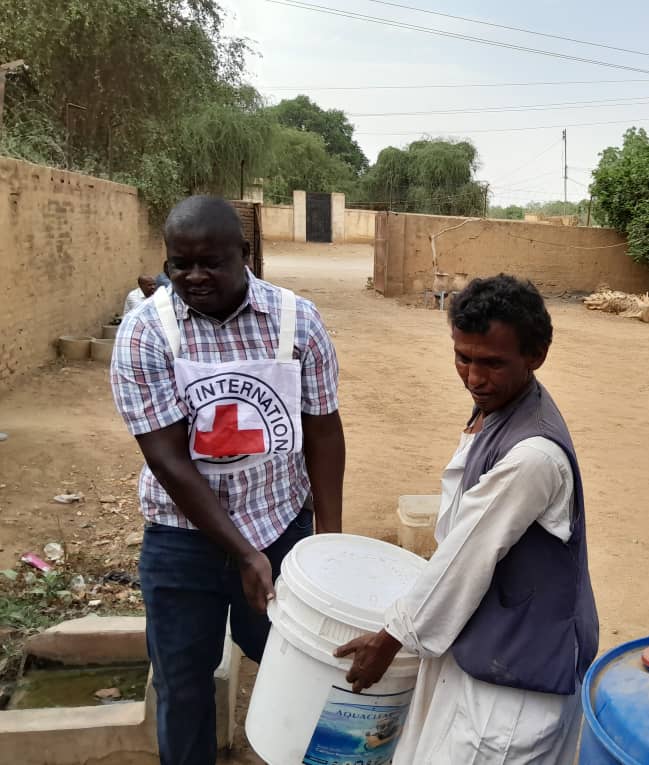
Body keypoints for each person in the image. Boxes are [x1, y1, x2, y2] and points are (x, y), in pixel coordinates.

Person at [110, 195, 345, 765]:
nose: (193, 276)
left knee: (301, 661)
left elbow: (323, 431)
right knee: (182, 683)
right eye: (179, 263)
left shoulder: (296, 321)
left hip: (278, 524)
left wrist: (328, 542)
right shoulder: (145, 332)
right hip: (180, 541)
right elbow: (167, 458)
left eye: (211, 261)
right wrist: (241, 552)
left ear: (245, 255)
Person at [335, 274, 598, 764]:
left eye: (493, 363)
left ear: (536, 355)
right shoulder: (496, 408)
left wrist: (390, 640)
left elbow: (466, 557)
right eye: (463, 358)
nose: (474, 377)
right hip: (486, 646)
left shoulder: (532, 456)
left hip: (514, 688)